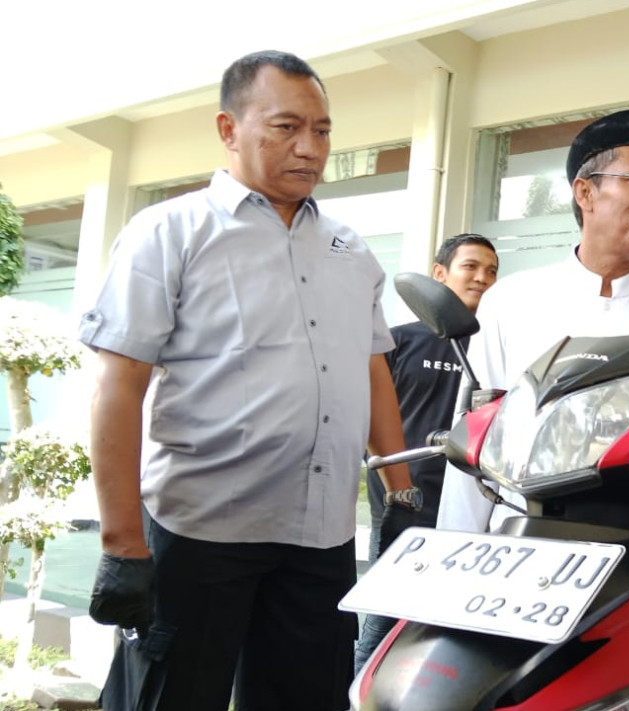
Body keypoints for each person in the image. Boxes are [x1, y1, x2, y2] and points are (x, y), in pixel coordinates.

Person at [80, 50, 418, 711]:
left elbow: (370, 366)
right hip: (201, 531)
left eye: (321, 130)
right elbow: (117, 384)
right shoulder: (168, 233)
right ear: (228, 130)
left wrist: (399, 494)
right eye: (286, 127)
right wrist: (123, 542)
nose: (309, 147)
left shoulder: (351, 248)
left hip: (320, 536)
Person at [435, 107, 629, 612]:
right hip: (527, 560)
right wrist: (453, 567)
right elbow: (473, 444)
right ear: (586, 192)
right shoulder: (512, 301)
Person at [354, 233, 498, 672]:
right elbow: (367, 417)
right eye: (470, 266)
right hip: (406, 504)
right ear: (439, 275)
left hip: (474, 511)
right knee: (385, 625)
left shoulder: (496, 347)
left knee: (450, 635)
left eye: (491, 271)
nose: (482, 278)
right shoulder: (397, 342)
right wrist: (390, 486)